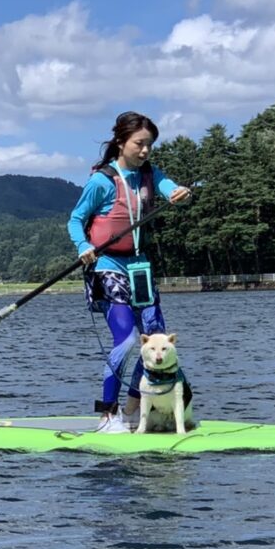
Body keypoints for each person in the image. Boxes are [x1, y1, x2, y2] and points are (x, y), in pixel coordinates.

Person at [67, 111, 193, 433]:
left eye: (150, 145)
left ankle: (135, 407)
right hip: (107, 266)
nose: (146, 151)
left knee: (156, 342)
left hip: (140, 268)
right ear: (122, 142)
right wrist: (83, 246)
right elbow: (75, 220)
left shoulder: (151, 174)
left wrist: (181, 194)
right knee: (126, 340)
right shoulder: (101, 181)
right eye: (140, 144)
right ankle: (108, 415)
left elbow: (171, 189)